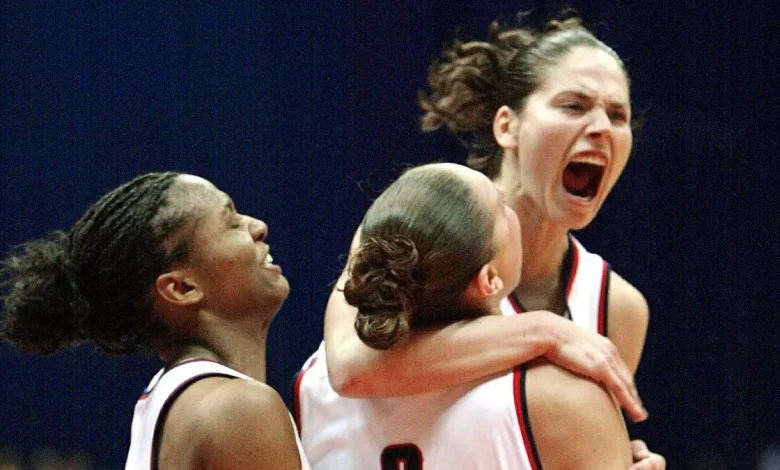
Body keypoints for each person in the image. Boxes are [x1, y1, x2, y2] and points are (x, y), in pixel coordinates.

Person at [313, 12, 664, 469]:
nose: (601, 127)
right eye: (574, 106)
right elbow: (351, 367)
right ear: (507, 126)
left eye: (617, 114)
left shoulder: (618, 308)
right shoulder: (418, 223)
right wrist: (546, 331)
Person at [295, 162, 634, 468]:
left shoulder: (311, 383)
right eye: (500, 206)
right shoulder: (563, 397)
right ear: (489, 279)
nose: (508, 204)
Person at [0, 172, 310, 470]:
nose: (258, 226)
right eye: (232, 222)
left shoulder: (172, 401)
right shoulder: (239, 410)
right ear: (182, 288)